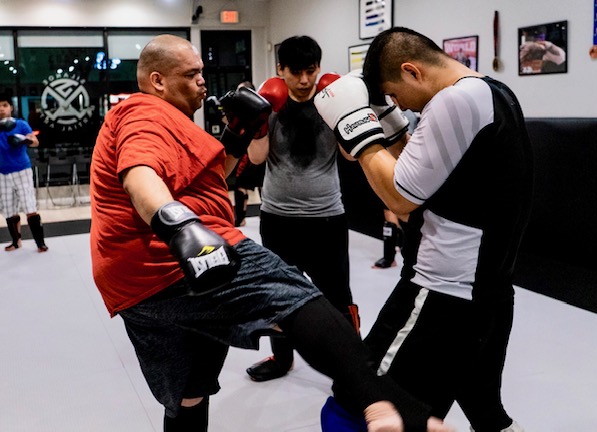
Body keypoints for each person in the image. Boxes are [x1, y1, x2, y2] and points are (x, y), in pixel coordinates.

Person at [89, 33, 454, 432]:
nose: (202, 82)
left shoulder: (161, 120)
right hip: (177, 254)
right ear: (157, 81)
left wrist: (238, 134)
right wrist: (180, 226)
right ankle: (386, 405)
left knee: (189, 390)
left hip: (134, 284)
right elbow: (141, 176)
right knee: (295, 297)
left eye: (202, 73)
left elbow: (206, 178)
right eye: (192, 74)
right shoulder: (145, 114)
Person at [314, 26, 532, 432]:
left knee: (353, 407)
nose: (399, 104)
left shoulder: (456, 101)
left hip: (441, 296)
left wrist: (356, 127)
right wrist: (391, 127)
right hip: (487, 297)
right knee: (486, 413)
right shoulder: (494, 92)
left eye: (394, 95)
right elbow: (431, 180)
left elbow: (401, 198)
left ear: (413, 72)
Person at [244, 35, 360, 382]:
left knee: (338, 295)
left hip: (327, 218)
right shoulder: (269, 105)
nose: (305, 80)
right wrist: (259, 121)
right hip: (279, 218)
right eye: (296, 72)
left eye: (311, 71)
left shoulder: (332, 102)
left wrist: (346, 116)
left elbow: (350, 156)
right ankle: (282, 359)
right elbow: (256, 157)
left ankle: (351, 367)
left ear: (319, 69)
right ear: (280, 70)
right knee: (279, 294)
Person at [0, 93, 48, 252]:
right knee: (9, 209)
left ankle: (40, 243)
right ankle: (16, 241)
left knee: (29, 206)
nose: (1, 109)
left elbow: (35, 142)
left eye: (4, 105)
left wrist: (23, 140)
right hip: (2, 173)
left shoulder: (21, 124)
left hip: (22, 170)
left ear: (11, 107)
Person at [372, 109, 417, 269]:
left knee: (399, 215)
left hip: (402, 174)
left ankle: (396, 254)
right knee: (389, 215)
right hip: (388, 171)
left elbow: (404, 147)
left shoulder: (406, 116)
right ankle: (390, 256)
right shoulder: (383, 113)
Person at [231, 81, 265, 227]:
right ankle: (247, 217)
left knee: (241, 184)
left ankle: (240, 218)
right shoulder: (260, 108)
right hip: (254, 153)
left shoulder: (251, 111)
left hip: (252, 153)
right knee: (261, 184)